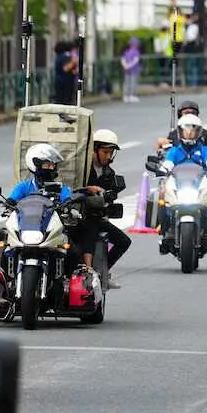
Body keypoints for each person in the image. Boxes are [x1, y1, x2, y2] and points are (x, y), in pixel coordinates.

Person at [85, 129, 131, 288]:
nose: (108, 156)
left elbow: (109, 196)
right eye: (105, 152)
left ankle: (102, 272)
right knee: (89, 234)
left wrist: (110, 197)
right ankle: (87, 271)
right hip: (79, 216)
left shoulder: (109, 173)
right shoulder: (83, 169)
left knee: (124, 241)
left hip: (97, 217)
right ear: (94, 149)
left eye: (111, 152)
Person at [53, 41, 79, 106]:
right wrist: (73, 62)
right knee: (66, 101)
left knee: (60, 100)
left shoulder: (58, 57)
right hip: (65, 82)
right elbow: (65, 68)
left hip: (59, 81)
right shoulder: (64, 57)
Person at [120, 38, 142, 103]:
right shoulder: (136, 52)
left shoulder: (126, 51)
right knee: (132, 82)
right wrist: (128, 66)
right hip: (134, 69)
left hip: (127, 69)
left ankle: (126, 96)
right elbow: (136, 60)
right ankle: (131, 96)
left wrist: (125, 65)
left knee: (127, 83)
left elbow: (123, 59)